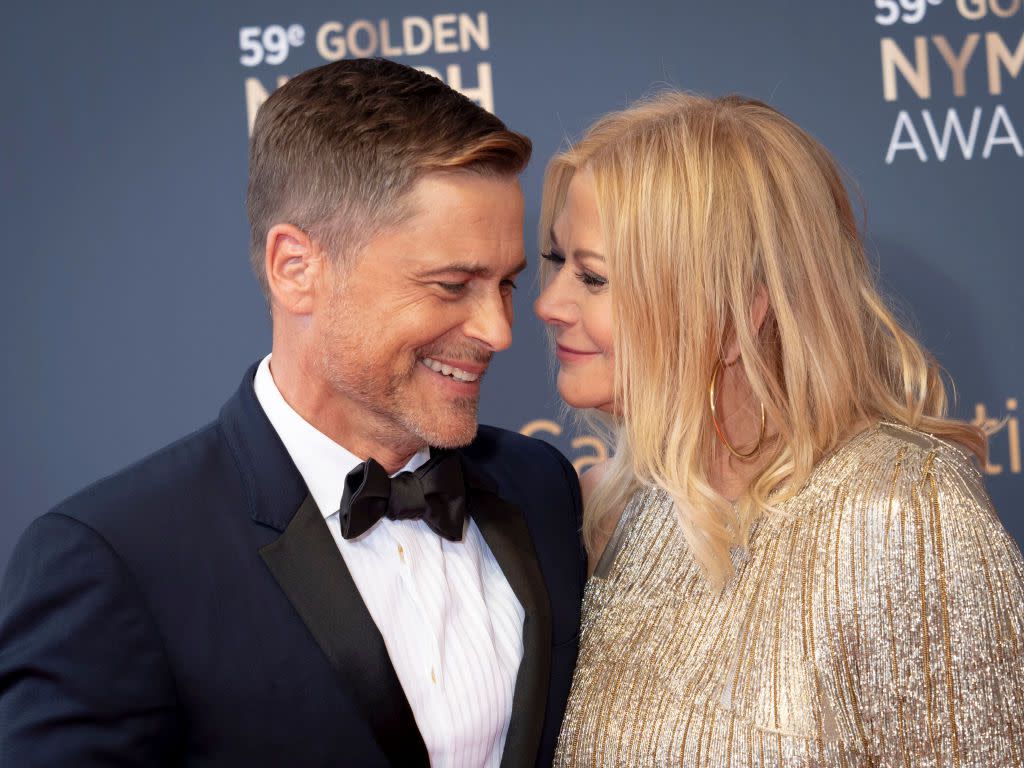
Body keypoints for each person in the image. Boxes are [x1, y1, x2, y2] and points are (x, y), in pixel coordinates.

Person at [0, 58, 585, 767]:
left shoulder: (539, 487)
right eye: (452, 284)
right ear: (295, 268)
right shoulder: (115, 560)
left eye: (506, 285)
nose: (498, 330)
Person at [535, 92, 1024, 766]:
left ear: (733, 312)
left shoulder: (905, 514)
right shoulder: (632, 513)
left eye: (593, 277)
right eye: (557, 262)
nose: (548, 303)